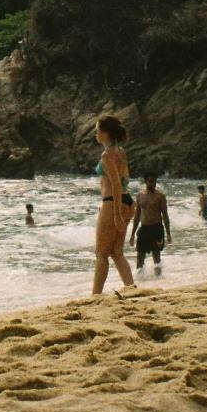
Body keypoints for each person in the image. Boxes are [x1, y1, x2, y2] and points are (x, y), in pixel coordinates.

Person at [92, 115, 135, 295]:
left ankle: (95, 295)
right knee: (117, 252)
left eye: (97, 130)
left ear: (106, 133)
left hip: (112, 203)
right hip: (126, 200)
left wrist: (117, 214)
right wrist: (128, 206)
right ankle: (131, 288)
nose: (95, 133)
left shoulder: (107, 154)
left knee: (101, 254)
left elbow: (116, 184)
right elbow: (126, 179)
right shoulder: (121, 151)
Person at [133, 172, 171, 274]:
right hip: (144, 228)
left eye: (154, 181)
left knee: (156, 256)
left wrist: (168, 233)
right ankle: (139, 279)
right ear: (145, 181)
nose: (153, 184)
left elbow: (165, 215)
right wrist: (132, 234)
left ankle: (158, 279)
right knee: (140, 256)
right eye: (150, 181)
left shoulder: (160, 196)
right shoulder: (140, 196)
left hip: (157, 228)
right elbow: (136, 216)